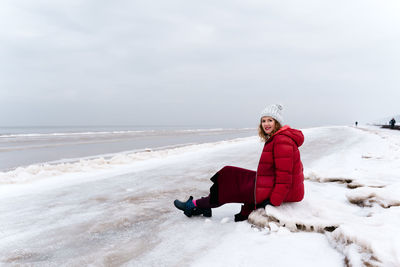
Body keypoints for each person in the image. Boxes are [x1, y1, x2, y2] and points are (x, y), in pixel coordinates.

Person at [174, 104, 305, 222]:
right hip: (273, 183)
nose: (266, 124)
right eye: (263, 121)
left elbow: (285, 177)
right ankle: (204, 205)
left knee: (230, 186)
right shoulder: (278, 138)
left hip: (284, 191)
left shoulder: (282, 141)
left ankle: (193, 206)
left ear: (277, 123)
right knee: (228, 173)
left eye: (270, 120)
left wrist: (272, 201)